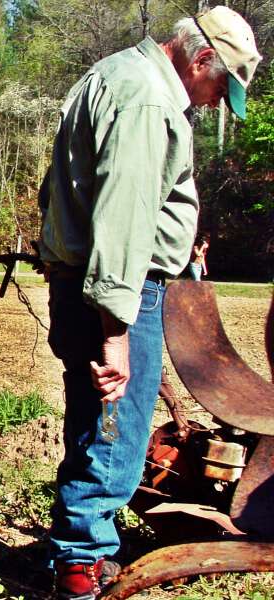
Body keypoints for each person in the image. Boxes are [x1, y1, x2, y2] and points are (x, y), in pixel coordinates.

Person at [36, 7, 260, 599]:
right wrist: (116, 332)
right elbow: (124, 220)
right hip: (116, 291)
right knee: (117, 428)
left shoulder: (114, 75)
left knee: (96, 423)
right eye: (220, 88)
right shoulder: (149, 103)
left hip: (94, 280)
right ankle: (81, 569)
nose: (215, 104)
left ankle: (81, 550)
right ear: (202, 58)